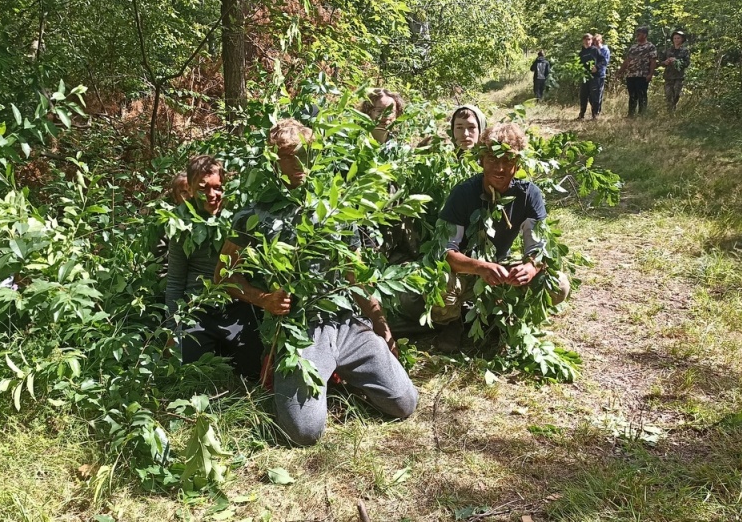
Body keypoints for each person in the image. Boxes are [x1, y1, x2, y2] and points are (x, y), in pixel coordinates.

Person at [214, 119, 418, 446]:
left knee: (405, 403)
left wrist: (379, 321)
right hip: (301, 329)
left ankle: (341, 375)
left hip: (347, 321)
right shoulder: (255, 214)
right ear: (273, 161)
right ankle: (313, 378)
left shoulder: (333, 207)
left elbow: (356, 274)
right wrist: (263, 298)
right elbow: (223, 275)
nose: (298, 165)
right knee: (305, 432)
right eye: (287, 157)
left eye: (304, 156)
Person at [435, 123, 570, 330]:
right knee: (439, 278)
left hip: (501, 270)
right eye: (492, 160)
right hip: (464, 273)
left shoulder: (528, 194)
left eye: (507, 160)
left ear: (518, 163)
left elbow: (539, 248)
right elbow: (444, 252)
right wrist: (480, 267)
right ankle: (451, 324)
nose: (499, 169)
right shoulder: (463, 193)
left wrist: (529, 268)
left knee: (557, 283)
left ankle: (510, 318)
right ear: (481, 160)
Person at [166, 155, 262, 377]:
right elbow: (175, 281)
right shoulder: (181, 225)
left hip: (237, 307)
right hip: (197, 308)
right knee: (186, 374)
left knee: (253, 373)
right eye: (202, 189)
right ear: (189, 188)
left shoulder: (239, 219)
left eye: (217, 188)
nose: (211, 195)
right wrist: (172, 328)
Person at [616, 26, 658, 117]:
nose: (637, 35)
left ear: (645, 35)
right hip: (631, 74)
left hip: (643, 75)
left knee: (641, 95)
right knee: (632, 95)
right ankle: (631, 114)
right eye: (637, 33)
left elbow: (653, 61)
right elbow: (628, 60)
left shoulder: (650, 47)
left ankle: (642, 114)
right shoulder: (633, 47)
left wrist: (650, 74)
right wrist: (620, 71)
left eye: (639, 34)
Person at [660, 30, 691, 113]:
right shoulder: (668, 50)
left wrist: (677, 61)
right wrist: (665, 62)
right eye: (675, 38)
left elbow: (687, 63)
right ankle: (670, 111)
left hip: (679, 76)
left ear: (682, 39)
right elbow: (661, 62)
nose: (676, 40)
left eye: (678, 38)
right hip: (668, 76)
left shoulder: (685, 51)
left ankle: (673, 108)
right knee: (668, 94)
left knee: (676, 93)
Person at [577, 33, 603, 120]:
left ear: (592, 41)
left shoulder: (595, 50)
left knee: (594, 96)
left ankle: (595, 115)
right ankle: (581, 115)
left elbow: (603, 60)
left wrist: (597, 67)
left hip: (595, 77)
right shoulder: (581, 53)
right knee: (583, 95)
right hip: (585, 77)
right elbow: (578, 64)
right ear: (583, 41)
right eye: (586, 39)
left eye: (589, 39)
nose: (587, 41)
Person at [593, 34, 612, 114]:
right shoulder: (593, 50)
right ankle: (594, 110)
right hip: (592, 74)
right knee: (592, 94)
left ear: (601, 40)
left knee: (598, 93)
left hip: (600, 74)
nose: (596, 43)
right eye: (595, 41)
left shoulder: (605, 50)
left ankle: (597, 112)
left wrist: (597, 67)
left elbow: (605, 62)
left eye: (597, 41)